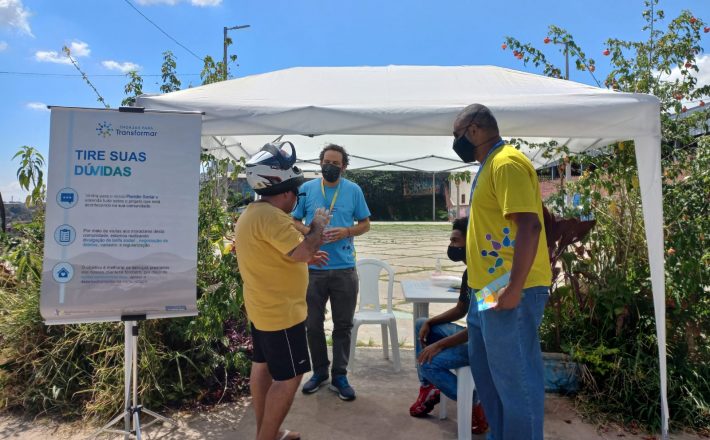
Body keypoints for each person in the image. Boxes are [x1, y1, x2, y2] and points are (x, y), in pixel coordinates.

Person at [452, 104, 552, 440]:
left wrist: (514, 287)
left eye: (457, 134)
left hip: (512, 289)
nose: (456, 141)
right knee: (489, 378)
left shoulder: (506, 163)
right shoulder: (488, 165)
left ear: (475, 129)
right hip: (487, 290)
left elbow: (530, 226)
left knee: (516, 381)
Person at [235, 142, 330, 440]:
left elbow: (282, 252)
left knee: (262, 368)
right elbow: (303, 251)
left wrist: (304, 250)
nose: (295, 200)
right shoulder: (272, 217)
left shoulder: (253, 213)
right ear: (285, 192)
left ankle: (269, 432)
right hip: (281, 314)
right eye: (296, 194)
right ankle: (266, 437)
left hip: (262, 309)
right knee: (289, 378)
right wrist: (317, 225)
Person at [292, 144, 371, 401]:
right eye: (327, 161)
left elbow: (366, 224)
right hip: (312, 269)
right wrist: (310, 232)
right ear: (320, 163)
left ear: (344, 166)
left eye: (336, 163)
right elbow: (293, 220)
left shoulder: (353, 190)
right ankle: (319, 372)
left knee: (343, 325)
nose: (331, 166)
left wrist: (346, 231)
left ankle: (340, 375)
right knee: (312, 325)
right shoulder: (306, 189)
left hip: (344, 269)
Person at [409, 217, 489, 435]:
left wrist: (440, 345)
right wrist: (430, 322)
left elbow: (480, 328)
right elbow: (461, 310)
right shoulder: (469, 272)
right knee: (420, 325)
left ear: (470, 241)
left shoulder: (487, 276)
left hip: (482, 344)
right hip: (471, 335)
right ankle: (428, 387)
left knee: (427, 362)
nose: (451, 246)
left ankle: (476, 403)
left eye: (455, 241)